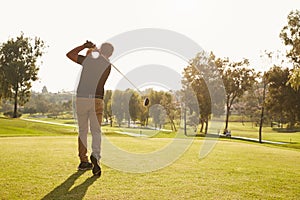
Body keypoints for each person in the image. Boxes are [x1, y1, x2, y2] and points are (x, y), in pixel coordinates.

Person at [66, 41, 114, 177]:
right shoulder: (108, 65)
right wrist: (94, 51)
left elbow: (70, 54)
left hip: (81, 98)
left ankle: (83, 160)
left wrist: (84, 46)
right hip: (97, 100)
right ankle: (96, 157)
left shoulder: (88, 60)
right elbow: (97, 59)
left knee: (83, 131)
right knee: (96, 131)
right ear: (110, 54)